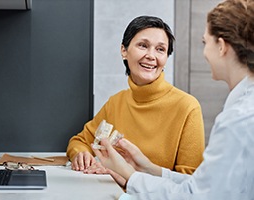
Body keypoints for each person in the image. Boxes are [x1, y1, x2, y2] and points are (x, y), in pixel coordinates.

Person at [93, 0, 254, 199]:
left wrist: (128, 186)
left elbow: (196, 195)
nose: (204, 52)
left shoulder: (238, 119)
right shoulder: (242, 110)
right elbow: (203, 186)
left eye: (205, 42)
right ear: (124, 50)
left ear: (221, 47)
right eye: (143, 46)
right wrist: (147, 168)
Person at [66, 15, 205, 180]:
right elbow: (79, 140)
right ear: (124, 51)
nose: (151, 55)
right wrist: (81, 154)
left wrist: (130, 173)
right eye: (143, 45)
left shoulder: (187, 107)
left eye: (160, 49)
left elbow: (191, 183)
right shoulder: (116, 102)